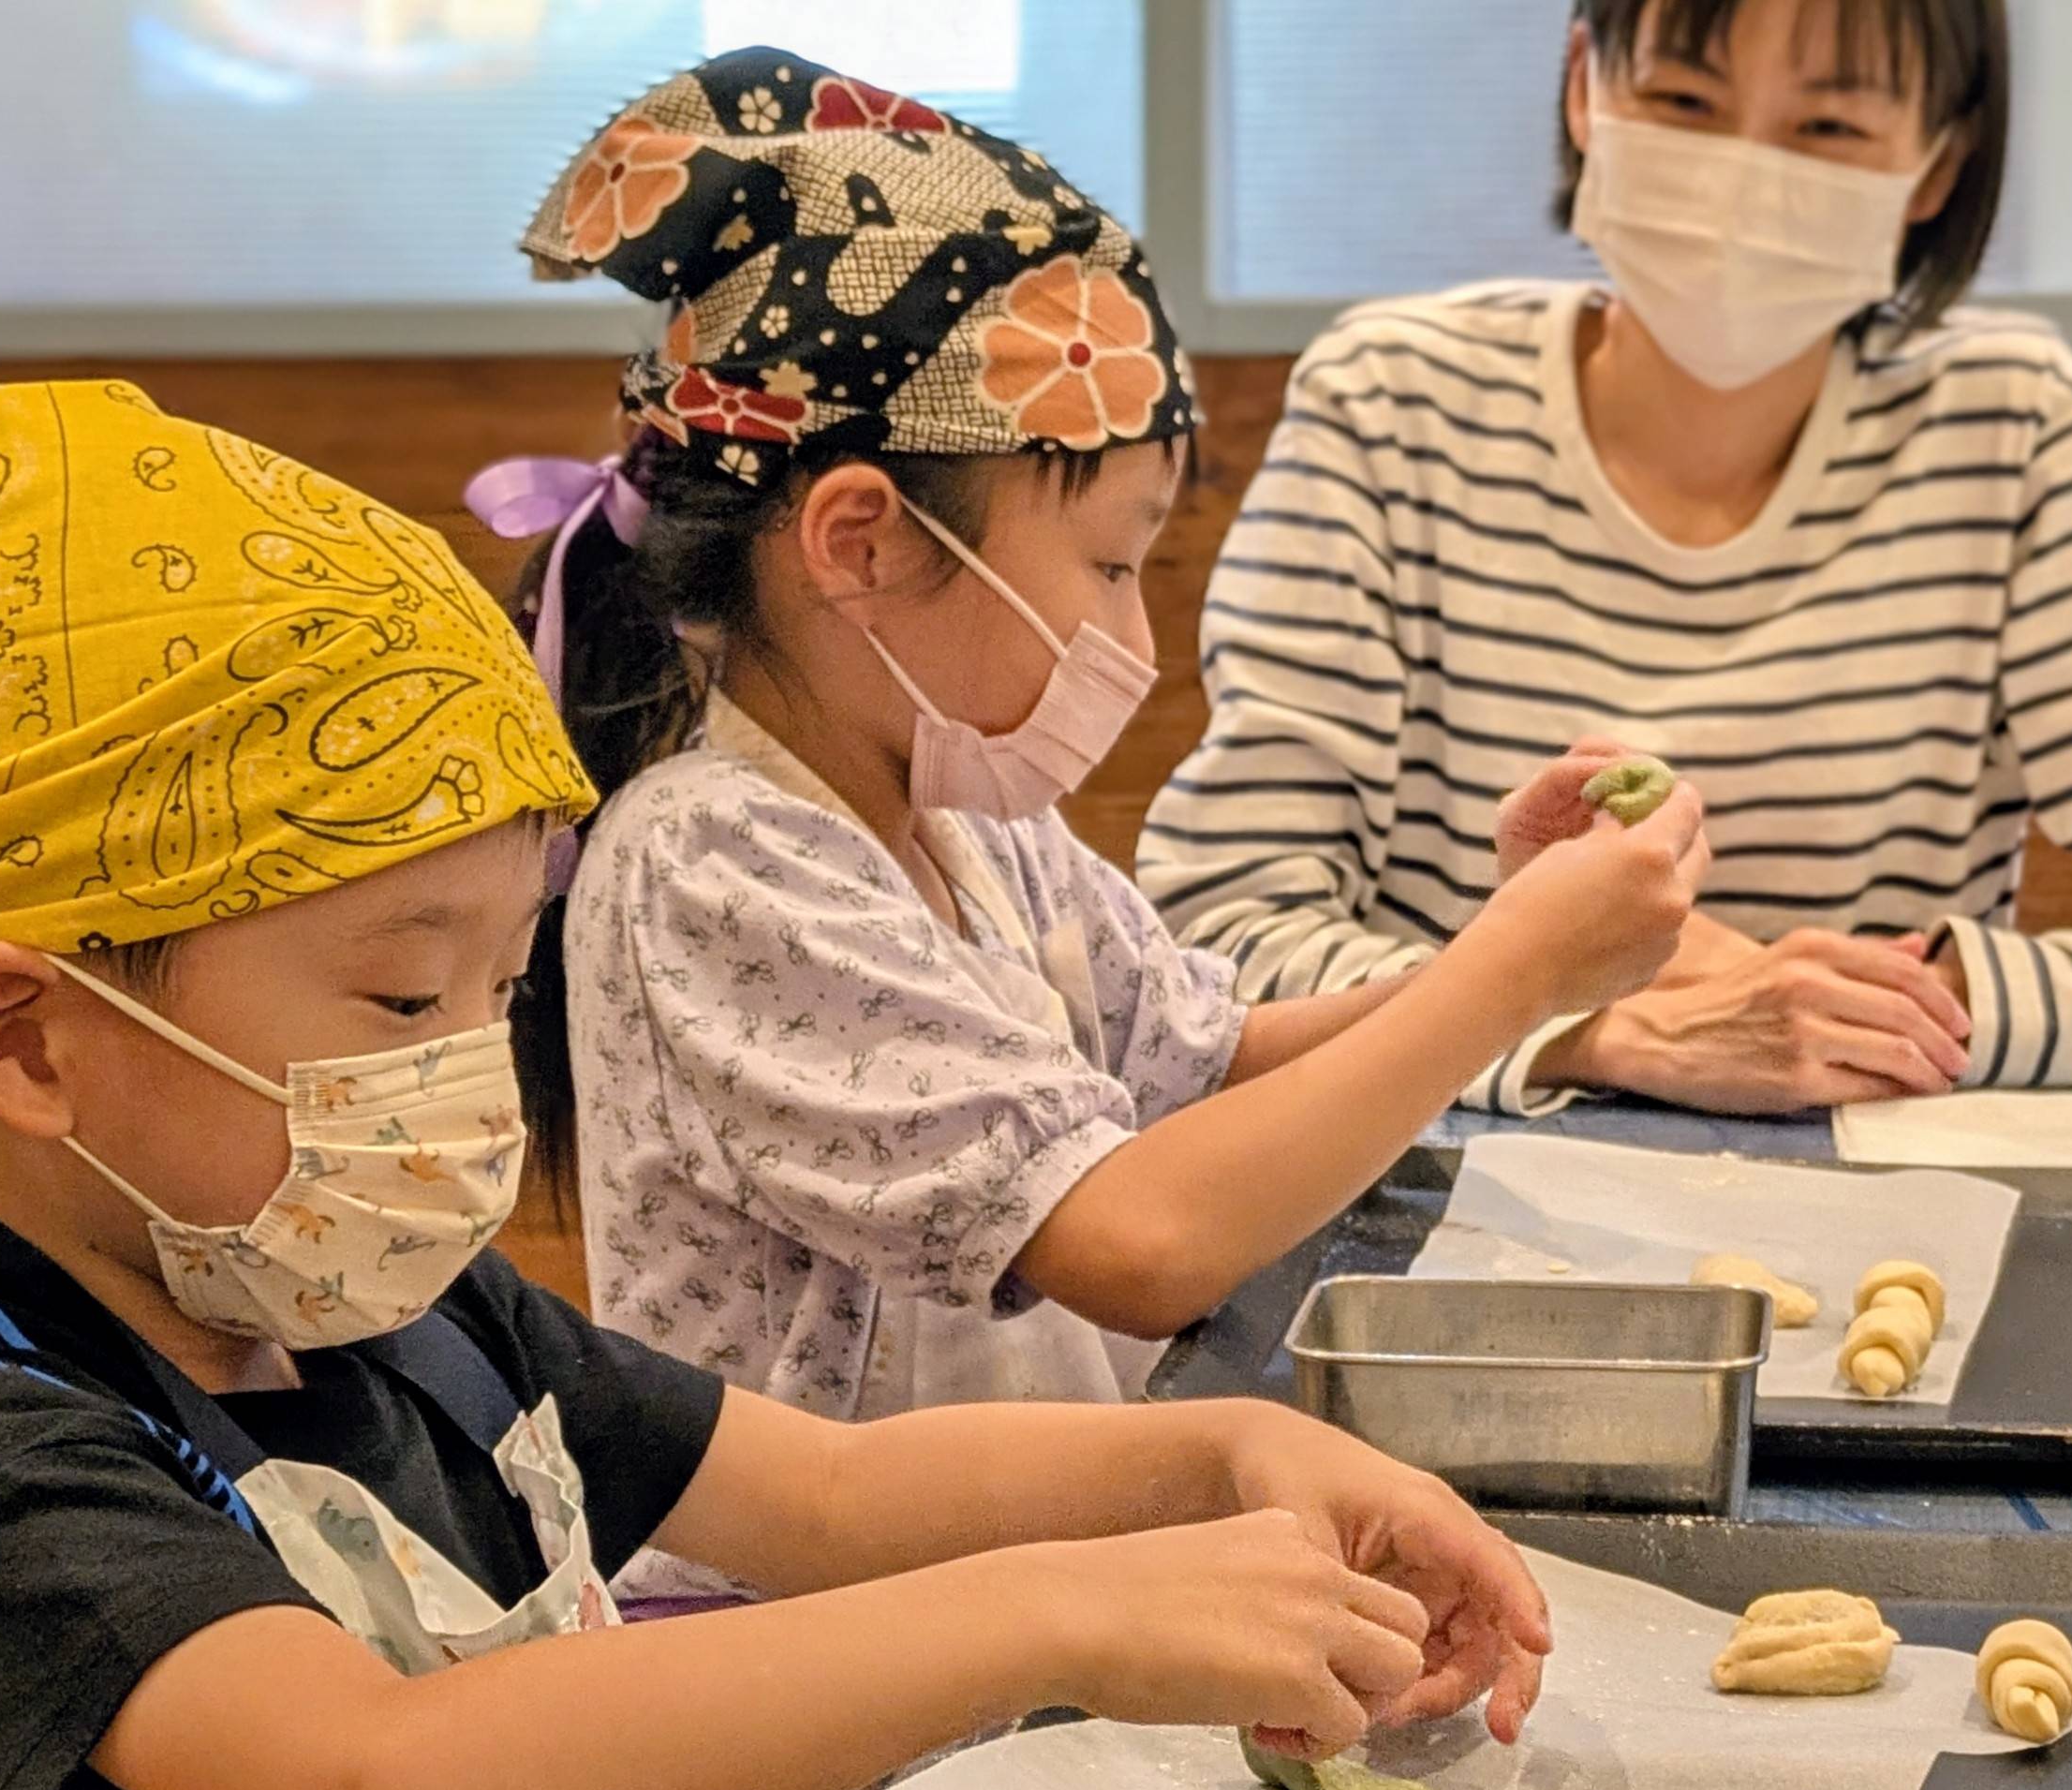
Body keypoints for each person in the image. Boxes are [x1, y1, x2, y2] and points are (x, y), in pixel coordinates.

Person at [0, 377, 1566, 1790]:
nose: (471, 1074)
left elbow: (833, 1484)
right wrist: (1053, 1611)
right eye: (399, 1004)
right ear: (24, 1037)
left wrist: (1216, 1458)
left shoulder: (392, 1308)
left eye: (497, 988)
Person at [484, 52, 1703, 1610]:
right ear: (861, 539)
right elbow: (1137, 1237)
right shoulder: (711, 860)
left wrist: (1506, 954)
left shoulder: (975, 825)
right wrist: (1516, 975)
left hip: (1010, 1620)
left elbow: (1213, 1057)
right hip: (810, 1687)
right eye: (1114, 561)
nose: (1135, 625)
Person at [1140, 0, 2072, 1117]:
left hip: (1892, 1233)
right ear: (1581, 89)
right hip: (1418, 1216)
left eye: (1825, 125)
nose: (1743, 179)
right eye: (1681, 105)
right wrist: (1581, 1022)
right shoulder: (1392, 404)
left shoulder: (2013, 429)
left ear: (1937, 164)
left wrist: (1857, 1011)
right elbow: (1215, 939)